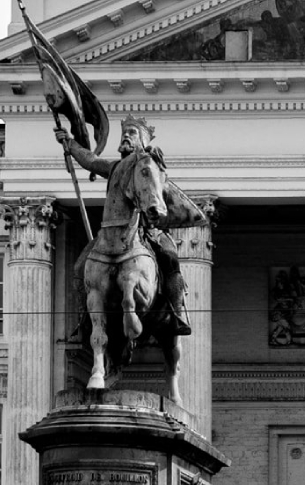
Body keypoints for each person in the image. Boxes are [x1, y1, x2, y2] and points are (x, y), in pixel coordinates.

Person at [55, 116, 206, 335]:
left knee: (170, 259)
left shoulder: (151, 168)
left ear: (142, 141)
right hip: (112, 234)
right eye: (125, 133)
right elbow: (90, 160)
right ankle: (84, 317)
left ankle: (177, 313)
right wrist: (70, 143)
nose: (126, 136)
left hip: (148, 231)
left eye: (132, 133)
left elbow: (162, 198)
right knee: (80, 267)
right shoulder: (115, 167)